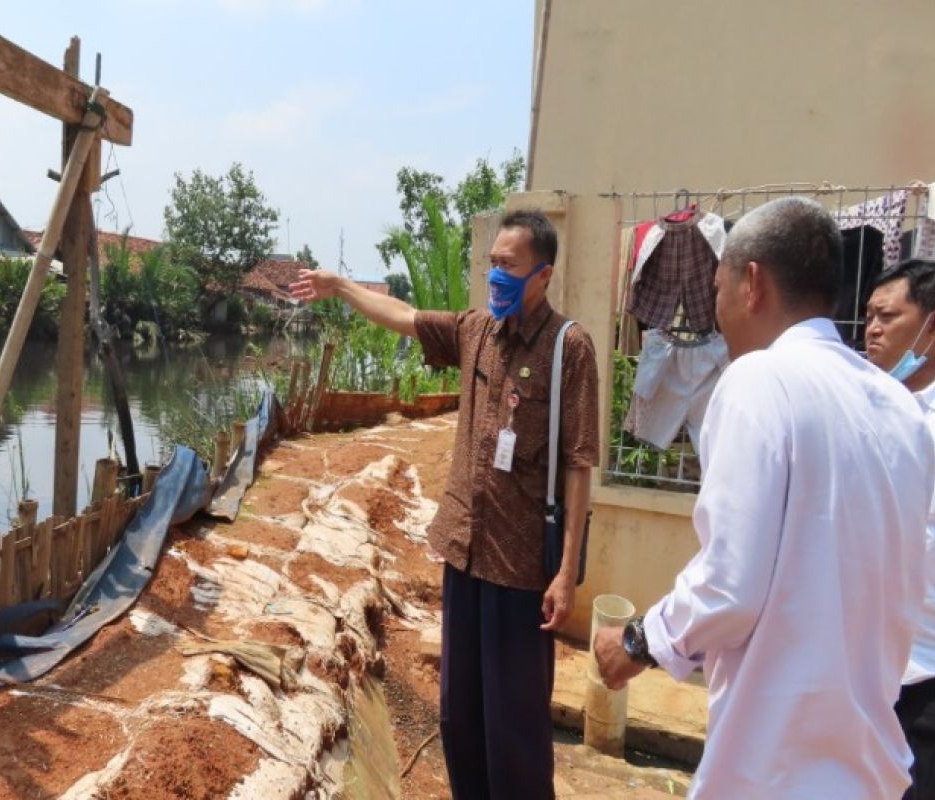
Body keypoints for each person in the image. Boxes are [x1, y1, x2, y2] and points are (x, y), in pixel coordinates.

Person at [594, 197, 935, 798]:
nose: (714, 305)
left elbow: (730, 584)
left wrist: (640, 641)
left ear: (751, 284)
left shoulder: (759, 379)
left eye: (716, 283)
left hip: (776, 768)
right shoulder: (897, 409)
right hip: (871, 768)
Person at [291, 210, 599, 799]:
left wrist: (565, 573)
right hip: (464, 555)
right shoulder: (477, 331)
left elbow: (580, 463)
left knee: (516, 727)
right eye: (492, 265)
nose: (496, 277)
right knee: (461, 719)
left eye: (508, 266)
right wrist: (342, 288)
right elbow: (405, 318)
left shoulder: (569, 349)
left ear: (543, 275)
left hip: (521, 572)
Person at [865, 258, 935, 800]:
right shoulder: (878, 409)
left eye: (888, 316)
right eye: (869, 315)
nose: (872, 329)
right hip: (873, 662)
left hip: (925, 670)